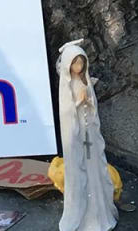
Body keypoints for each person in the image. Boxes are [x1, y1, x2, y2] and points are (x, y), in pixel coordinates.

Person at [56, 39, 117, 231]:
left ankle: (99, 213)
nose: (79, 67)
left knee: (94, 169)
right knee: (81, 170)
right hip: (77, 134)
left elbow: (92, 106)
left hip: (89, 132)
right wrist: (77, 102)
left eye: (81, 63)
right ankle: (84, 218)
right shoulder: (66, 86)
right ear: (68, 64)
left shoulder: (85, 81)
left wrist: (88, 101)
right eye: (75, 63)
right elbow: (66, 114)